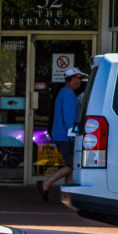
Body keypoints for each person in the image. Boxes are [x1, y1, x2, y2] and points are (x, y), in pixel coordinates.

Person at [38, 66, 88, 201]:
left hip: (62, 135)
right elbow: (69, 118)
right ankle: (46, 184)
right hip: (65, 137)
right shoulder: (69, 95)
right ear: (72, 79)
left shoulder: (64, 93)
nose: (80, 81)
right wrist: (73, 136)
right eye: (79, 78)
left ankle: (67, 195)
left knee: (71, 165)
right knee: (72, 164)